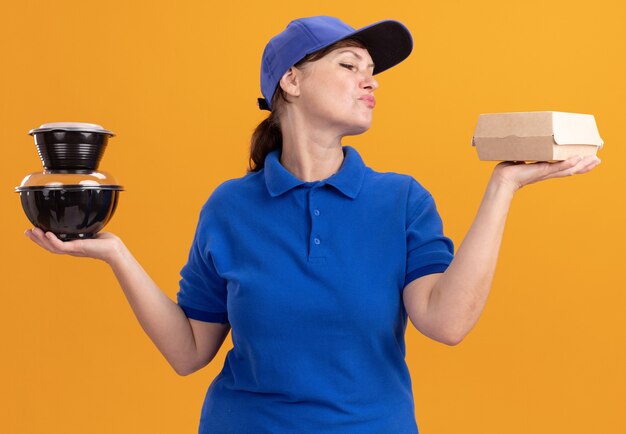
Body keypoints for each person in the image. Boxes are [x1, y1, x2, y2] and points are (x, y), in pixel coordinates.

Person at [25, 15, 600, 434]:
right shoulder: (229, 208)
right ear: (291, 83)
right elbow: (189, 352)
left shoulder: (401, 200)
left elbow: (447, 323)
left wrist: (502, 187)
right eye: (349, 65)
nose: (369, 80)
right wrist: (117, 254)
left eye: (373, 71)